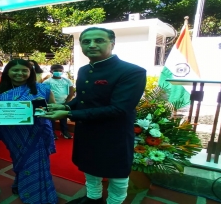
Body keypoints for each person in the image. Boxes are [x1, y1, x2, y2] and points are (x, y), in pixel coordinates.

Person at [41, 27, 146, 204]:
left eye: (99, 40)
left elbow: (119, 108)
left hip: (115, 133)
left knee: (117, 172)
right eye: (86, 41)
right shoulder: (83, 70)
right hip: (87, 130)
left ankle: (114, 201)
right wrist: (65, 104)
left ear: (112, 43)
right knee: (89, 166)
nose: (92, 45)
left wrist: (69, 113)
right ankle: (93, 198)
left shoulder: (132, 71)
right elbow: (83, 98)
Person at [0, 59, 58, 204]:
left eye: (24, 70)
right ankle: (21, 183)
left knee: (36, 162)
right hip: (13, 136)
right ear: (7, 72)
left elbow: (54, 109)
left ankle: (37, 195)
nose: (19, 73)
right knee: (20, 160)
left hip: (37, 133)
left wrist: (44, 108)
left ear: (31, 73)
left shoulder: (43, 89)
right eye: (15, 70)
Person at [43, 64, 75, 139]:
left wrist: (67, 102)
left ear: (63, 71)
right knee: (52, 119)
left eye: (60, 71)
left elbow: (71, 92)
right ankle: (52, 133)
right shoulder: (47, 82)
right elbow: (45, 92)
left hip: (63, 103)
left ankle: (64, 132)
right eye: (56, 71)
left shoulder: (67, 81)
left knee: (63, 118)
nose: (58, 72)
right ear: (51, 71)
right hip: (52, 104)